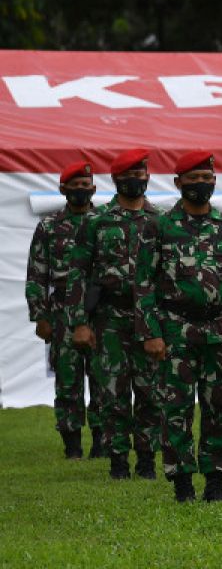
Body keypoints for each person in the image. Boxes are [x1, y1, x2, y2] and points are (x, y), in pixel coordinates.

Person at [136, 151, 222, 503]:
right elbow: (143, 285)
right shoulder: (158, 227)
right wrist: (151, 333)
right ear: (178, 184)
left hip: (220, 330)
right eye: (193, 179)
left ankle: (217, 482)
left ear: (215, 181)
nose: (201, 185)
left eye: (207, 178)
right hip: (175, 330)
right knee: (175, 409)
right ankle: (182, 484)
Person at [68, 148, 163, 481]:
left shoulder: (160, 221)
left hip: (150, 320)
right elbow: (77, 275)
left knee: (152, 390)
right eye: (129, 175)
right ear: (116, 180)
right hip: (110, 317)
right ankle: (119, 461)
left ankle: (148, 460)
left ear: (148, 178)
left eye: (141, 174)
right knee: (113, 391)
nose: (136, 180)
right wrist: (79, 322)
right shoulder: (97, 222)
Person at [26, 161, 103, 459]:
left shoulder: (105, 222)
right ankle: (72, 446)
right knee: (67, 380)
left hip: (99, 312)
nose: (81, 191)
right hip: (61, 314)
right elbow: (36, 275)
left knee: (102, 379)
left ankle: (101, 443)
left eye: (86, 185)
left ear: (94, 189)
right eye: (75, 186)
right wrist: (40, 315)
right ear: (63, 189)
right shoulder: (49, 226)